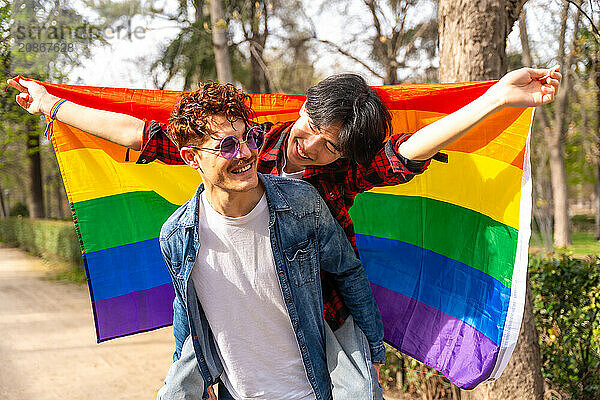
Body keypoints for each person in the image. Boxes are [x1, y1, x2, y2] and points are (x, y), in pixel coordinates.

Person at [7, 67, 561, 399]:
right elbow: (143, 135)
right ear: (303, 111)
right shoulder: (246, 141)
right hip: (234, 301)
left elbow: (407, 153)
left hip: (321, 309)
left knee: (355, 391)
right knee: (189, 376)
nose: (313, 147)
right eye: (312, 129)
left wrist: (494, 100)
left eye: (332, 146)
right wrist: (52, 105)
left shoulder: (337, 172)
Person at [156, 81, 384, 399]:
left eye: (248, 138)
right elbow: (187, 309)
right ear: (192, 159)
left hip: (315, 389)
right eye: (227, 146)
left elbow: (348, 273)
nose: (247, 153)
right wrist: (197, 375)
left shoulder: (302, 204)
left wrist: (373, 352)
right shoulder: (176, 236)